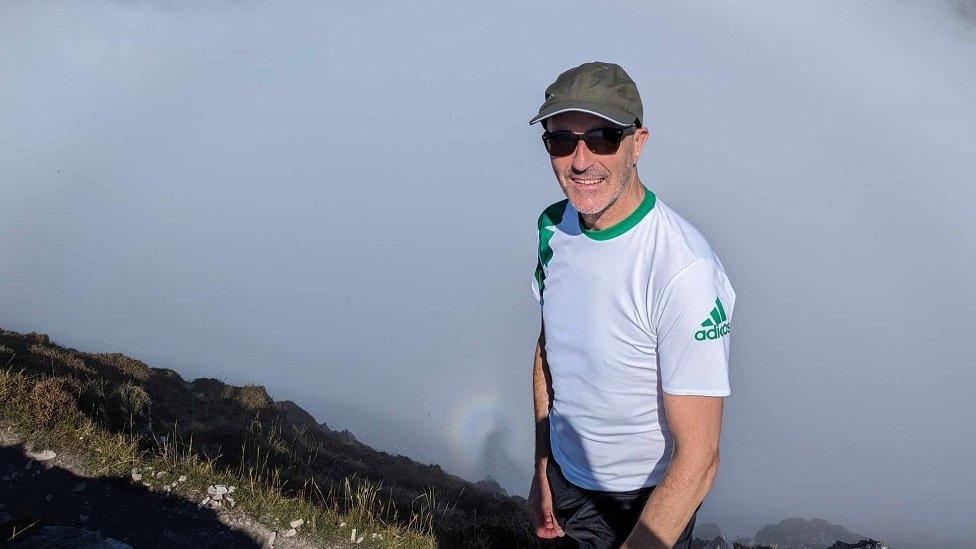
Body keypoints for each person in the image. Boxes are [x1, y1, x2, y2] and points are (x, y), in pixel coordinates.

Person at [526, 61, 737, 549]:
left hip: (648, 502)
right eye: (560, 140)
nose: (579, 161)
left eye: (602, 137)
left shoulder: (683, 270)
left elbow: (700, 459)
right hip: (566, 484)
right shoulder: (553, 228)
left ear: (638, 143)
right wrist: (542, 467)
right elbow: (549, 348)